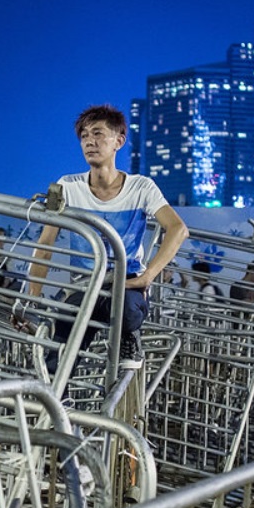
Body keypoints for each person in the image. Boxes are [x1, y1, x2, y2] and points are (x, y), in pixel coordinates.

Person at [28, 104, 188, 369]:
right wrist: (32, 297)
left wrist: (148, 277)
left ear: (119, 141)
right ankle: (58, 405)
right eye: (84, 136)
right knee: (58, 351)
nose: (90, 141)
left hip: (127, 282)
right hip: (85, 283)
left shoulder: (141, 186)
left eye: (99, 134)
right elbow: (45, 244)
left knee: (125, 312)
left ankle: (129, 338)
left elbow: (178, 229)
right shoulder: (67, 186)